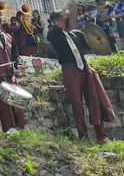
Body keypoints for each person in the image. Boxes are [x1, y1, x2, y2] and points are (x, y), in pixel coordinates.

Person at [46, 11, 115, 142]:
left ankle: (101, 135)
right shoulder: (54, 35)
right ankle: (83, 136)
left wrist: (94, 34)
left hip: (84, 67)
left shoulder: (76, 34)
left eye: (60, 20)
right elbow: (53, 35)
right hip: (70, 69)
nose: (59, 22)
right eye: (57, 21)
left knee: (94, 100)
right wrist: (60, 22)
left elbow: (91, 44)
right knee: (77, 104)